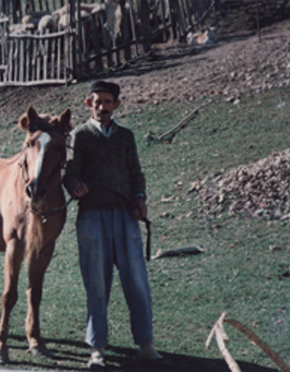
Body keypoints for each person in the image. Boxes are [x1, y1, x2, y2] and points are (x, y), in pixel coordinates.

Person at [63, 80, 169, 369]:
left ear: (116, 105)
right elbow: (69, 174)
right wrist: (75, 185)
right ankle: (97, 348)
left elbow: (136, 173)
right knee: (97, 283)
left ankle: (145, 344)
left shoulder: (125, 136)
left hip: (125, 216)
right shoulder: (79, 136)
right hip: (92, 218)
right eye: (97, 102)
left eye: (108, 102)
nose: (102, 107)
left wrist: (140, 198)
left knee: (136, 280)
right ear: (89, 105)